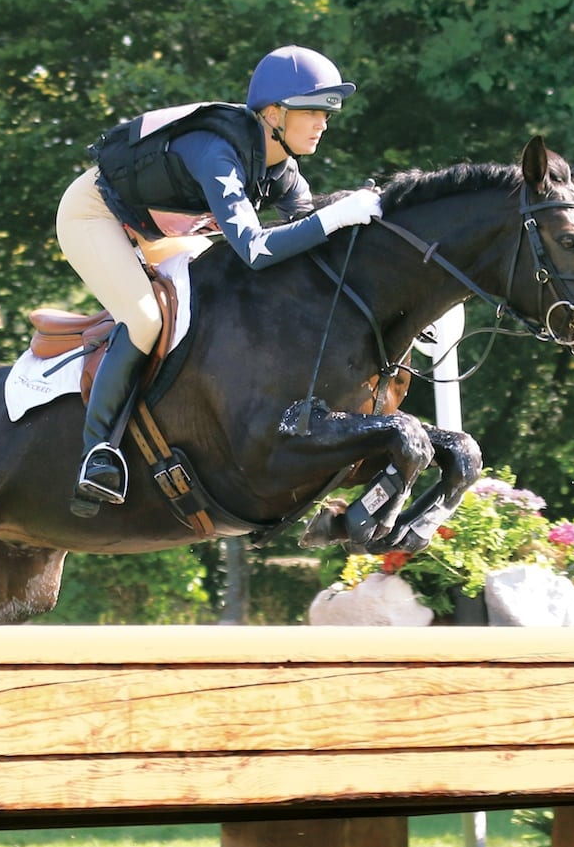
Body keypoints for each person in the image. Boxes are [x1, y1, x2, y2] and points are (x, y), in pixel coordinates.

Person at [56, 44, 382, 510]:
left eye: (327, 112)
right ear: (273, 114)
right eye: (311, 111)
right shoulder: (216, 151)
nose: (323, 122)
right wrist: (336, 218)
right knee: (146, 318)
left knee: (218, 302)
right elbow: (255, 248)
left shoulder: (283, 172)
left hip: (161, 228)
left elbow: (313, 242)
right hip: (96, 215)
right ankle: (98, 453)